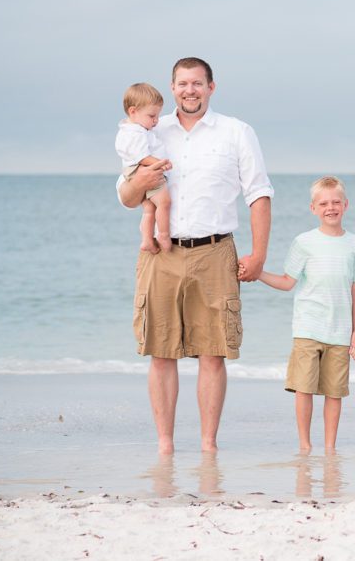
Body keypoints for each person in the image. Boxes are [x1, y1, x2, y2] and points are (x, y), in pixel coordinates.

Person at [117, 57, 273, 455]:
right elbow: (126, 197)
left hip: (216, 252)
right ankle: (165, 445)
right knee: (161, 352)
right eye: (183, 84)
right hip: (160, 254)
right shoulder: (150, 129)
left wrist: (258, 255)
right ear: (172, 88)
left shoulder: (236, 132)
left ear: (211, 87)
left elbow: (258, 194)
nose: (190, 90)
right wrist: (142, 181)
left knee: (213, 353)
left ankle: (208, 446)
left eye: (198, 84)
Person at [246, 176, 355, 453]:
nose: (331, 207)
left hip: (339, 331)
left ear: (346, 205)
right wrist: (258, 273)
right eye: (324, 203)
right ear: (313, 208)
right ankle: (304, 444)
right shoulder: (304, 242)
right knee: (304, 388)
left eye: (336, 202)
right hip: (308, 328)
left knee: (334, 392)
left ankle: (329, 447)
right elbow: (288, 282)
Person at [115, 83, 172, 253]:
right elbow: (142, 157)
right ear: (133, 111)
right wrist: (162, 163)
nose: (156, 120)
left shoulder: (130, 129)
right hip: (145, 170)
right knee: (164, 202)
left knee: (149, 208)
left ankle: (147, 239)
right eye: (152, 116)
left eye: (158, 116)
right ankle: (163, 234)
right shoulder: (136, 132)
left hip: (133, 171)